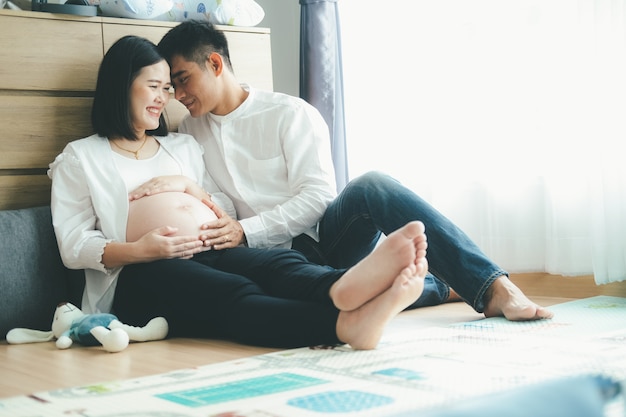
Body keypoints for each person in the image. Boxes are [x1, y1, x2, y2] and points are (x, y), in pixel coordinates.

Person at [147, 20, 553, 322]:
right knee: (321, 299)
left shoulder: (289, 114)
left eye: (183, 80)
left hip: (320, 238)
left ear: (215, 63)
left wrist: (248, 230)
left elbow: (316, 198)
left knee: (372, 184)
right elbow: (213, 196)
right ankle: (436, 285)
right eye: (170, 87)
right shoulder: (191, 131)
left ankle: (493, 287)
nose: (178, 97)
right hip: (262, 260)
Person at [48, 35, 430, 350]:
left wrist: (189, 187)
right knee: (234, 291)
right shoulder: (81, 158)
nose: (165, 98)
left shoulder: (182, 146)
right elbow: (73, 243)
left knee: (276, 265)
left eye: (169, 88)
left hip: (211, 251)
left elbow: (224, 205)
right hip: (139, 276)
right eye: (154, 87)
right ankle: (341, 325)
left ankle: (344, 286)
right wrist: (141, 250)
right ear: (120, 86)